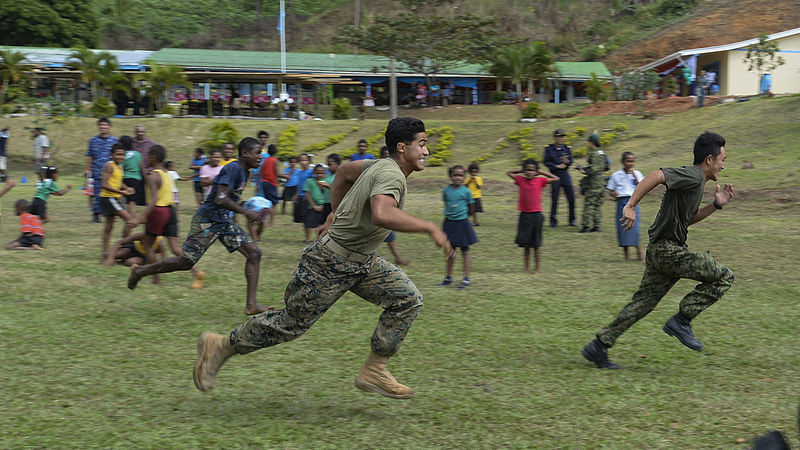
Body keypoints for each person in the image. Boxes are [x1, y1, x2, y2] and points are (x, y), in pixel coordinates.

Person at [191, 117, 453, 399]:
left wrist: (335, 213)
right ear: (402, 147)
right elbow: (382, 213)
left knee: (407, 299)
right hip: (331, 261)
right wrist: (429, 226)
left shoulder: (378, 165)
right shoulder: (390, 174)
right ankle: (220, 346)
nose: (426, 151)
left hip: (363, 261)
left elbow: (343, 172)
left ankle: (375, 369)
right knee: (290, 324)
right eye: (422, 144)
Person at [582, 131, 735, 370]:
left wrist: (715, 205)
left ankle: (599, 345)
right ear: (709, 160)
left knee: (643, 303)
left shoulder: (696, 183)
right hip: (667, 250)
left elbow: (688, 219)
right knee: (724, 276)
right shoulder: (693, 175)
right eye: (722, 159)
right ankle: (682, 321)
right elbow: (656, 175)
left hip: (659, 250)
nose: (724, 165)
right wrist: (630, 206)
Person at [127, 137, 272, 316]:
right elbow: (220, 198)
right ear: (245, 153)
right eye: (257, 153)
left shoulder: (245, 172)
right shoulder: (233, 169)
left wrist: (249, 209)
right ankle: (140, 271)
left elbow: (230, 198)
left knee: (254, 253)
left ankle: (251, 305)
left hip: (223, 221)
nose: (260, 157)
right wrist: (245, 211)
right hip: (208, 220)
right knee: (185, 262)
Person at [134, 145, 204, 288]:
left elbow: (153, 199)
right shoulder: (166, 173)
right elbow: (153, 183)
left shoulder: (154, 175)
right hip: (170, 211)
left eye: (148, 156)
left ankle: (156, 278)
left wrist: (141, 217)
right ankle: (196, 272)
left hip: (158, 212)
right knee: (176, 248)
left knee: (147, 245)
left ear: (153, 157)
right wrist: (142, 170)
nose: (147, 158)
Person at [507, 159, 559, 274]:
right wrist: (521, 170)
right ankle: (526, 268)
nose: (529, 172)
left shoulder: (540, 180)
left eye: (532, 170)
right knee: (526, 245)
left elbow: (556, 178)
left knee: (536, 245)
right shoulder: (520, 179)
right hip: (524, 215)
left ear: (536, 172)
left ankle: (537, 268)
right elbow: (509, 173)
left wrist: (541, 172)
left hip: (536, 216)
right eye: (527, 170)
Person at [437, 165, 477, 289]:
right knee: (449, 251)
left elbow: (471, 207)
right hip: (449, 223)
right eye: (455, 175)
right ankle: (448, 277)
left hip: (462, 223)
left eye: (460, 175)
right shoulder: (446, 191)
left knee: (465, 251)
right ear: (450, 176)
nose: (457, 178)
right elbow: (446, 204)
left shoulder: (466, 191)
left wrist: (466, 216)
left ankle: (466, 278)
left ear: (464, 177)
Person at [99, 144, 137, 256]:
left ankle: (105, 253)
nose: (120, 157)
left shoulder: (119, 167)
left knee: (109, 226)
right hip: (109, 198)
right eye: (118, 154)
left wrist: (126, 188)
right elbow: (104, 184)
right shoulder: (109, 166)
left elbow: (117, 181)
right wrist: (121, 192)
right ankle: (124, 248)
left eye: (122, 155)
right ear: (111, 155)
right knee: (130, 221)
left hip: (115, 197)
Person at [607, 152, 644, 261]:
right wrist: (613, 194)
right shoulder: (616, 175)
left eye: (632, 161)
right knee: (623, 227)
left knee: (634, 227)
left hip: (633, 202)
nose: (630, 164)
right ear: (623, 162)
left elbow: (642, 186)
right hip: (621, 202)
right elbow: (610, 189)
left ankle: (639, 252)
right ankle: (626, 256)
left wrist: (634, 176)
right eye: (628, 161)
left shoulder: (637, 173)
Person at [377, 147, 409, 265]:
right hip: (378, 208)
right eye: (384, 155)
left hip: (387, 209)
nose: (387, 157)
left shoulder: (395, 171)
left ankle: (397, 257)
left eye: (389, 155)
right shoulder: (378, 170)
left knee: (389, 235)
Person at [85, 117, 119, 223]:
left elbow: (118, 156)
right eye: (101, 125)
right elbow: (89, 156)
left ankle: (111, 214)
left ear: (109, 126)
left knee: (111, 193)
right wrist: (87, 169)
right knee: (97, 194)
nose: (103, 127)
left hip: (111, 172)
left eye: (105, 125)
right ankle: (96, 215)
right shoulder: (93, 141)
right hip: (97, 170)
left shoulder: (114, 141)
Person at [544, 129, 576, 227]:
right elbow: (546, 162)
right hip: (554, 175)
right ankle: (553, 221)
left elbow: (571, 161)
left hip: (565, 174)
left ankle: (572, 220)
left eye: (562, 136)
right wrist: (556, 166)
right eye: (558, 136)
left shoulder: (566, 149)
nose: (560, 138)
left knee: (571, 198)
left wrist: (567, 162)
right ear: (554, 138)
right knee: (555, 199)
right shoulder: (549, 149)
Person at [577, 134, 608, 233]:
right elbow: (607, 167)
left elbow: (592, 169)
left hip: (593, 183)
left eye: (589, 142)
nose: (588, 144)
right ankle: (596, 225)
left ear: (592, 142)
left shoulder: (593, 154)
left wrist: (582, 170)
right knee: (597, 205)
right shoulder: (602, 153)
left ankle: (586, 226)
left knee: (589, 204)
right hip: (601, 182)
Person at [120, 135, 146, 216]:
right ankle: (132, 216)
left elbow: (120, 168)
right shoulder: (138, 154)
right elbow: (142, 167)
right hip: (136, 179)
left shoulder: (122, 155)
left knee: (124, 198)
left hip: (125, 179)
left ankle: (129, 216)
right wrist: (145, 179)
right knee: (132, 201)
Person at [302, 164, 328, 242]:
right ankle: (308, 238)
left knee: (321, 223)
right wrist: (313, 206)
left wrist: (323, 188)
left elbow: (328, 195)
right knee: (308, 222)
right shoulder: (309, 181)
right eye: (317, 173)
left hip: (324, 206)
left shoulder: (326, 182)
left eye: (322, 173)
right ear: (314, 172)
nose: (319, 175)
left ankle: (319, 238)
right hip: (312, 206)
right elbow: (307, 194)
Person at [257, 144, 280, 226]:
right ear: (276, 152)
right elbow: (277, 173)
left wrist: (258, 185)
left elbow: (259, 173)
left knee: (266, 202)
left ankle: (263, 218)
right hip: (272, 183)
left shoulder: (265, 160)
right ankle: (271, 221)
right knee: (274, 204)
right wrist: (287, 176)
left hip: (264, 183)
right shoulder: (275, 161)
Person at [291, 153, 314, 228]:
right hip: (300, 197)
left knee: (307, 218)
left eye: (305, 160)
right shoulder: (299, 172)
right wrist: (295, 195)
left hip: (307, 197)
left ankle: (308, 238)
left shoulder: (311, 172)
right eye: (301, 160)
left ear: (309, 162)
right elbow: (299, 185)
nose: (303, 162)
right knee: (303, 218)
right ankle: (307, 237)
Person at [465, 162, 484, 227]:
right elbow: (465, 186)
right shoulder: (467, 179)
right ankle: (467, 221)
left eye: (475, 172)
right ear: (469, 172)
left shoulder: (479, 179)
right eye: (472, 172)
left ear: (477, 172)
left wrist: (475, 181)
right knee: (468, 210)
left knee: (474, 210)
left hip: (476, 196)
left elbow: (479, 187)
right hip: (468, 196)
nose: (473, 174)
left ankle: (475, 222)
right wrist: (470, 181)